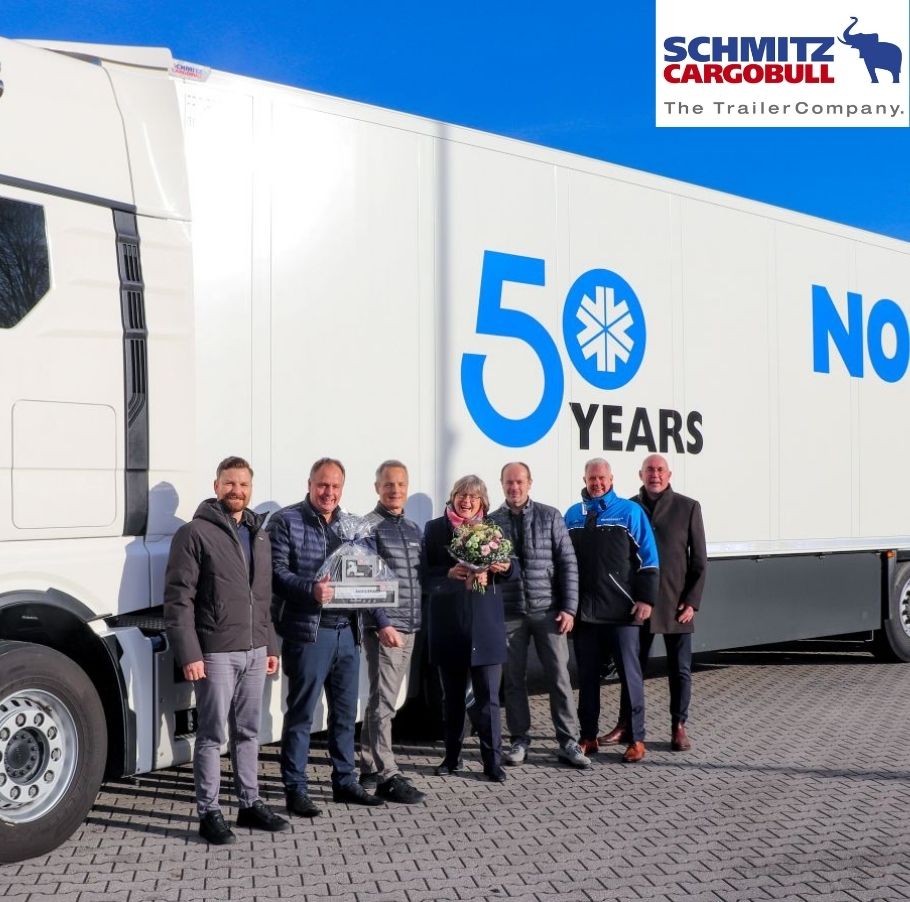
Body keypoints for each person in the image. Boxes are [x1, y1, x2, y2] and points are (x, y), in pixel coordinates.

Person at [164, 456, 288, 844]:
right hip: (215, 651)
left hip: (255, 650)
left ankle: (249, 803)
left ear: (251, 489)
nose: (237, 490)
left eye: (243, 485)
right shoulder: (194, 533)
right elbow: (179, 599)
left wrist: (269, 644)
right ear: (216, 486)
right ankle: (209, 812)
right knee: (212, 734)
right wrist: (189, 653)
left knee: (249, 731)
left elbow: (263, 598)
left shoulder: (259, 534)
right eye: (229, 483)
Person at [268, 457, 385, 816]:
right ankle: (295, 788)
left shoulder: (352, 527)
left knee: (345, 715)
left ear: (342, 489)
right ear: (309, 484)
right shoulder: (286, 520)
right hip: (309, 633)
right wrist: (311, 589)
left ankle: (345, 782)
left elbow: (369, 574)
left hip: (347, 632)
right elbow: (275, 573)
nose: (328, 492)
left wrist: (381, 615)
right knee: (302, 715)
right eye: (322, 484)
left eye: (335, 486)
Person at [600, 454, 707, 752]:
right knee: (631, 669)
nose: (655, 475)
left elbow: (699, 560)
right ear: (640, 474)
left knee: (680, 670)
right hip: (638, 604)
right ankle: (625, 725)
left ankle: (679, 726)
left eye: (660, 470)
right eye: (649, 470)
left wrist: (692, 602)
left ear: (669, 475)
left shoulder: (688, 507)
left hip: (676, 604)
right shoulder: (629, 507)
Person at [489, 462, 590, 769]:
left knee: (559, 677)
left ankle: (569, 741)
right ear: (502, 484)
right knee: (513, 681)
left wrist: (569, 608)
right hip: (510, 613)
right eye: (509, 482)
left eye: (519, 481)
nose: (514, 487)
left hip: (549, 611)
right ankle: (519, 740)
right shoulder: (492, 522)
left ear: (530, 483)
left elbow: (568, 563)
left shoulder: (550, 516)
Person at [565, 458, 659, 764]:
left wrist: (646, 600)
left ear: (611, 479)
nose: (597, 483)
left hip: (622, 613)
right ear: (584, 479)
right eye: (592, 478)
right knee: (587, 680)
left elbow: (648, 558)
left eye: (601, 478)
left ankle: (637, 739)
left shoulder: (630, 512)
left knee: (631, 678)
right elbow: (564, 564)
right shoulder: (572, 516)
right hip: (586, 615)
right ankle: (588, 737)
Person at [422, 475, 512, 782]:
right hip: (450, 626)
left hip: (486, 628)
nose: (467, 501)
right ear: (453, 497)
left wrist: (503, 568)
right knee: (452, 700)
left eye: (473, 497)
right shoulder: (435, 529)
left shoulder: (494, 529)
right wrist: (448, 574)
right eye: (462, 495)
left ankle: (492, 762)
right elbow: (425, 576)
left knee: (489, 701)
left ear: (482, 502)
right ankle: (452, 758)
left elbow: (514, 569)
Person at [358, 459, 426, 803]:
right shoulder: (368, 528)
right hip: (386, 628)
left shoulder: (413, 529)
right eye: (388, 484)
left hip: (410, 626)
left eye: (400, 484)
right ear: (377, 488)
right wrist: (382, 622)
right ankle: (387, 773)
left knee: (382, 700)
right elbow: (366, 579)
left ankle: (369, 766)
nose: (395, 490)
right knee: (384, 702)